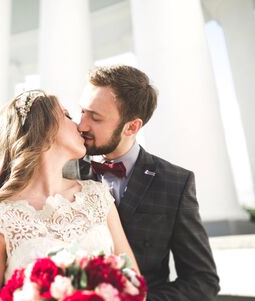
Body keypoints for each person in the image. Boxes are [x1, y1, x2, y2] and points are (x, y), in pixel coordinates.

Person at [0, 90, 139, 301]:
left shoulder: (97, 196)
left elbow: (133, 283)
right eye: (67, 116)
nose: (79, 125)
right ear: (43, 128)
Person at [69, 65, 220, 300]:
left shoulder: (176, 183)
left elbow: (202, 281)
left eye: (95, 117)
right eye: (82, 112)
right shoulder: (65, 170)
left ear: (132, 126)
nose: (82, 125)